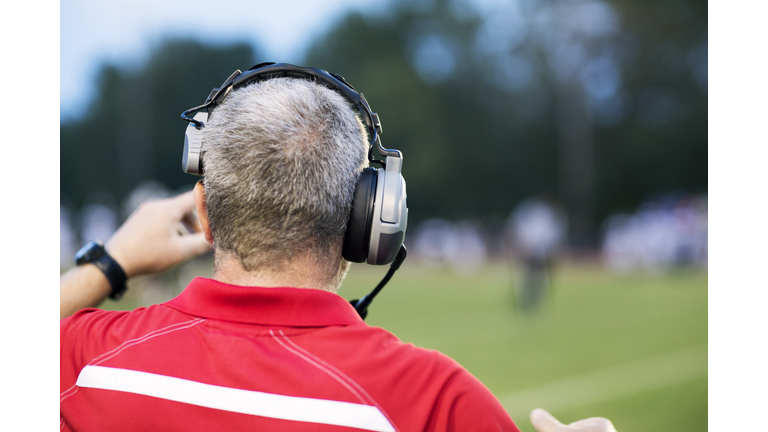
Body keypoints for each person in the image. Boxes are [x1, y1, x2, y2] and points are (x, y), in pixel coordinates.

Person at [60, 68, 617, 432]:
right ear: (372, 219)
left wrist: (109, 263)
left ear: (202, 211)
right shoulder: (437, 402)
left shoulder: (83, 358)